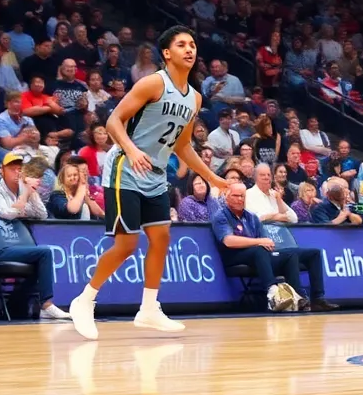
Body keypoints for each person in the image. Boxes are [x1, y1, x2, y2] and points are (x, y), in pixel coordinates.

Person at [67, 26, 228, 341]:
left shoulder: (194, 98)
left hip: (155, 174)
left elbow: (182, 146)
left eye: (193, 44)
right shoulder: (153, 82)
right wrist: (130, 148)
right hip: (125, 167)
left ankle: (149, 308)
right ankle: (84, 300)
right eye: (181, 44)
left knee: (161, 238)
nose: (189, 49)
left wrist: (212, 177)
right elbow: (113, 121)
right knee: (127, 245)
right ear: (167, 53)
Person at [212, 183, 336, 312]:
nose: (239, 199)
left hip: (259, 255)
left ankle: (310, 298)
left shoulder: (251, 217)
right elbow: (228, 241)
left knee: (304, 253)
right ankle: (273, 295)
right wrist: (258, 241)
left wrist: (264, 243)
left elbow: (265, 242)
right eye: (235, 195)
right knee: (259, 249)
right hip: (234, 256)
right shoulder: (221, 216)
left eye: (242, 196)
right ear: (227, 196)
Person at [0, 153, 71, 319]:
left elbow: (41, 214)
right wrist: (23, 198)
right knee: (44, 252)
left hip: (18, 244)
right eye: (12, 169)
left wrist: (30, 192)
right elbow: (6, 213)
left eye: (19, 169)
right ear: (1, 171)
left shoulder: (22, 189)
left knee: (41, 261)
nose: (17, 172)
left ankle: (17, 304)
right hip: (0, 247)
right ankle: (46, 305)